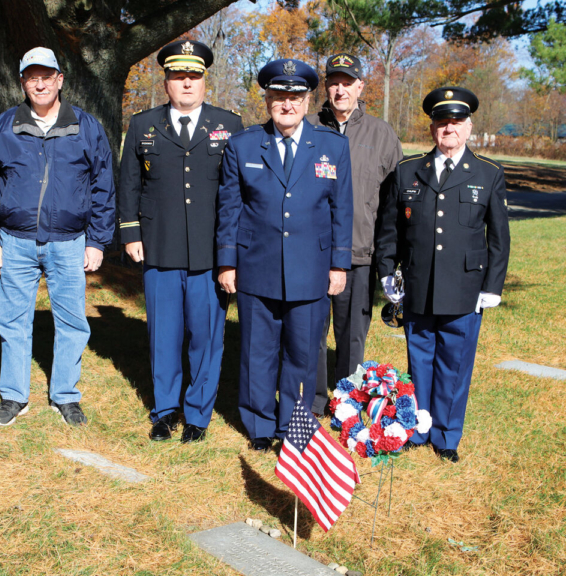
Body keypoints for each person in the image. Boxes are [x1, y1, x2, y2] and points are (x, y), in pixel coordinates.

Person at [0, 47, 115, 427]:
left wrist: (97, 241)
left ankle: (65, 396)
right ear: (23, 82)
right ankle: (13, 397)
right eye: (32, 77)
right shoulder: (3, 127)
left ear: (59, 80)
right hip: (14, 241)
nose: (40, 84)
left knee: (72, 322)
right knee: (12, 321)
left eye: (46, 76)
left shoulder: (86, 127)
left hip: (69, 242)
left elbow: (103, 185)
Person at [216, 59, 354, 451]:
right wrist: (227, 261)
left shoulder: (332, 146)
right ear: (267, 100)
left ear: (308, 101)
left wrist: (339, 264)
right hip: (256, 267)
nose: (287, 104)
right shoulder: (243, 145)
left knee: (302, 353)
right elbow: (229, 208)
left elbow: (342, 209)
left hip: (311, 269)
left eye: (295, 97)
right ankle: (259, 425)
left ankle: (292, 425)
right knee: (257, 352)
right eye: (279, 96)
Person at [118, 40, 243, 443]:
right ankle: (165, 410)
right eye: (178, 76)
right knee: (164, 336)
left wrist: (232, 250)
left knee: (206, 339)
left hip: (210, 252)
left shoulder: (229, 125)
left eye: (194, 76)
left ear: (204, 81)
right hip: (160, 246)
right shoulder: (143, 125)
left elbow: (237, 192)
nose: (187, 83)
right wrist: (131, 233)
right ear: (166, 82)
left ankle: (198, 414)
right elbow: (129, 182)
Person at [376, 87, 510, 463]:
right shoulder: (407, 171)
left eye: (456, 122)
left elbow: (499, 238)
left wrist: (492, 286)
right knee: (419, 359)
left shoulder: (488, 173)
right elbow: (389, 231)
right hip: (417, 284)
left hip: (465, 288)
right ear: (432, 127)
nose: (449, 128)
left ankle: (447, 435)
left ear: (469, 127)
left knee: (455, 363)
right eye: (441, 122)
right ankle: (418, 428)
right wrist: (387, 273)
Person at [307, 53, 402, 415]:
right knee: (312, 332)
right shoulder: (308, 127)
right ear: (326, 86)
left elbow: (395, 201)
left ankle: (346, 401)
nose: (340, 90)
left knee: (352, 336)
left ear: (361, 86)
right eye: (334, 82)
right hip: (312, 253)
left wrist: (390, 257)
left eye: (348, 83)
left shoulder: (381, 134)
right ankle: (315, 400)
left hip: (360, 254)